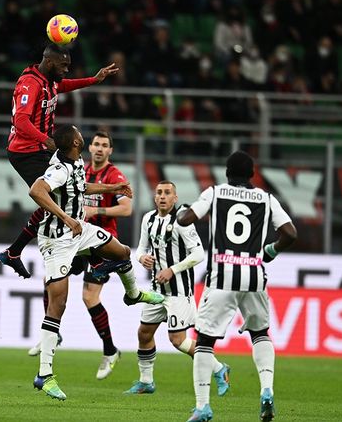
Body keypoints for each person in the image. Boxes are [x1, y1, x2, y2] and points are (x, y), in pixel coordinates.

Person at [29, 124, 164, 401]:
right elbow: (36, 191)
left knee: (122, 252)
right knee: (59, 304)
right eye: (82, 136)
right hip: (59, 240)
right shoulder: (61, 169)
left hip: (81, 231)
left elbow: (82, 187)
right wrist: (66, 218)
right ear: (78, 143)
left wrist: (113, 187)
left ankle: (134, 293)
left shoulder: (77, 162)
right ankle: (44, 374)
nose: (89, 140)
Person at [178, 151, 297, 422]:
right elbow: (291, 233)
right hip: (254, 274)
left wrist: (185, 210)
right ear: (253, 175)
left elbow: (185, 220)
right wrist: (271, 250)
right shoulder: (266, 198)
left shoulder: (215, 192)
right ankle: (266, 389)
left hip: (222, 273)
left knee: (205, 341)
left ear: (227, 173)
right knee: (260, 332)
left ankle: (202, 407)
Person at [0, 44, 118, 279]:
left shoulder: (48, 79)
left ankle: (14, 252)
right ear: (50, 62)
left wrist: (94, 80)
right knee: (60, 196)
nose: (66, 70)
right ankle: (92, 261)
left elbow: (62, 86)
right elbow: (21, 122)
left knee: (62, 196)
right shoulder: (30, 83)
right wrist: (47, 140)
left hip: (40, 148)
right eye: (63, 66)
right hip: (26, 152)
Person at [25, 131, 131, 381]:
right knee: (50, 283)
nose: (99, 149)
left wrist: (98, 209)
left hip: (97, 237)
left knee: (89, 296)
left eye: (105, 145)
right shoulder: (78, 166)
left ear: (110, 151)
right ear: (88, 146)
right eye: (96, 144)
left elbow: (127, 208)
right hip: (72, 237)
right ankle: (53, 333)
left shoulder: (113, 174)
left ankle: (110, 350)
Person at [124, 181, 231, 397]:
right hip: (156, 292)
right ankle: (146, 382)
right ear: (155, 197)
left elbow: (199, 254)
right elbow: (141, 248)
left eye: (167, 193)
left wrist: (173, 270)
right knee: (144, 334)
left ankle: (219, 368)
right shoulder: (148, 219)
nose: (162, 196)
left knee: (178, 341)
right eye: (159, 192)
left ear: (175, 198)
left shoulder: (182, 220)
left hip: (179, 292)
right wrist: (142, 257)